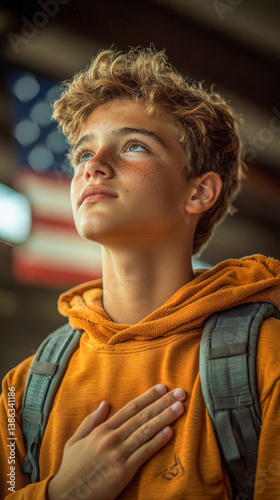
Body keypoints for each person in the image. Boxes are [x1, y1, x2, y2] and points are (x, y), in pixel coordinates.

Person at [1, 46, 280, 500]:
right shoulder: (23, 391)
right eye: (83, 153)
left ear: (199, 192)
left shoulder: (266, 361)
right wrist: (62, 493)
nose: (93, 165)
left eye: (134, 146)